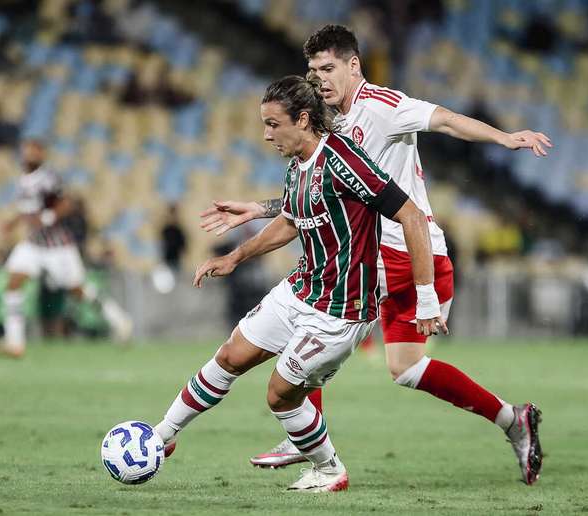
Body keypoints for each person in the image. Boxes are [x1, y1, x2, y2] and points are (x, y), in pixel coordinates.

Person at [198, 25, 546, 485]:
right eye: (313, 70)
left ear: (353, 65)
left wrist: (504, 138)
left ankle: (302, 434)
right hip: (378, 255)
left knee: (315, 304)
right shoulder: (326, 122)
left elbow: (445, 119)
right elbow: (324, 195)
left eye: (328, 68)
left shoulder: (383, 105)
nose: (320, 78)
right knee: (406, 368)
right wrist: (260, 208)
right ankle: (512, 419)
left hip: (406, 252)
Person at [154, 75, 444, 493]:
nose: (267, 135)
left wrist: (426, 297)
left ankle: (329, 470)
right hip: (302, 289)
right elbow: (290, 221)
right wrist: (234, 256)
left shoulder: (345, 161)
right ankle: (162, 436)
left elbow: (412, 216)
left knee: (279, 394)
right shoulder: (297, 165)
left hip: (341, 310)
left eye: (273, 124)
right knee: (231, 355)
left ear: (303, 119)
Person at [0, 140, 132, 357]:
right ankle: (15, 342)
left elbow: (66, 203)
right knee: (13, 282)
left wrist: (47, 217)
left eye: (34, 151)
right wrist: (12, 223)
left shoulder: (48, 177)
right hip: (33, 244)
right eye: (26, 151)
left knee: (78, 291)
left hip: (57, 246)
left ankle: (118, 319)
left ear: (42, 154)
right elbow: (27, 209)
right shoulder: (23, 180)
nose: (29, 155)